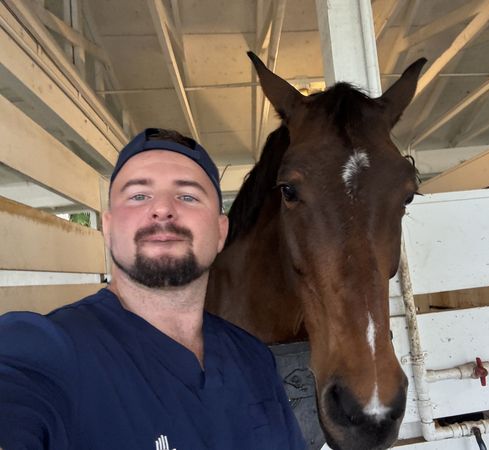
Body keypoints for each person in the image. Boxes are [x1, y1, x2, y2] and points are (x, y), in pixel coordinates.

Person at [0, 128, 306, 450]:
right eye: (138, 196)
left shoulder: (255, 358)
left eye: (187, 196)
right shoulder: (46, 350)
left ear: (220, 232)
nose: (162, 209)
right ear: (108, 229)